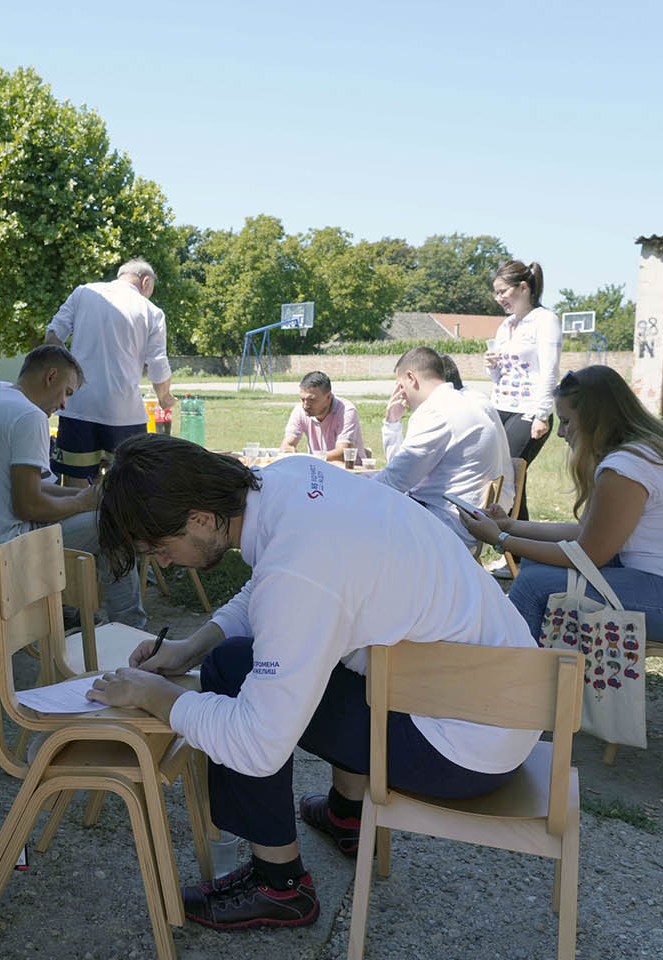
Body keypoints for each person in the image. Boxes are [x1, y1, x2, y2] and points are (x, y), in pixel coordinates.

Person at [85, 434, 539, 930]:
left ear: (199, 519)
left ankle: (278, 885)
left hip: (463, 750)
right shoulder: (291, 478)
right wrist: (192, 647)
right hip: (499, 710)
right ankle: (347, 814)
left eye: (160, 549)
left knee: (232, 675)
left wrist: (159, 698)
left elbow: (257, 744)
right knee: (261, 654)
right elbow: (269, 589)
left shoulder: (299, 570)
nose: (165, 563)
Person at [461, 365, 663, 648]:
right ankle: (537, 681)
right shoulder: (641, 453)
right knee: (539, 568)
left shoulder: (626, 468)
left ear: (596, 421)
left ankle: (516, 686)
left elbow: (587, 554)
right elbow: (589, 535)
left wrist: (500, 540)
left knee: (535, 586)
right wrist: (510, 526)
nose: (561, 433)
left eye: (566, 422)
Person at [0, 345, 144, 626]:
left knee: (100, 511)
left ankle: (74, 615)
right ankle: (131, 630)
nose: (65, 405)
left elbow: (33, 487)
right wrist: (82, 503)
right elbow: (29, 505)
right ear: (51, 376)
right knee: (112, 525)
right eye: (67, 392)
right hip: (4, 557)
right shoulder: (29, 416)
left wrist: (83, 494)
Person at [44, 258, 174, 483]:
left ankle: (78, 519)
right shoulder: (151, 311)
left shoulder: (83, 293)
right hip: (126, 414)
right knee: (126, 488)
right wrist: (164, 398)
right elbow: (158, 363)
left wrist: (71, 374)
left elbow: (52, 337)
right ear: (146, 282)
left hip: (79, 409)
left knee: (75, 486)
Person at [376, 347, 506, 551]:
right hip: (459, 521)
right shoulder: (463, 402)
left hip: (444, 528)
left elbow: (393, 482)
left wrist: (348, 491)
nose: (400, 395)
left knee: (358, 520)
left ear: (411, 377)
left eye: (400, 386)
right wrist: (392, 423)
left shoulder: (437, 412)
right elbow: (403, 472)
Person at [485, 260, 562, 524]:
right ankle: (518, 549)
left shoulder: (545, 320)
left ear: (523, 287)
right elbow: (501, 375)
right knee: (510, 476)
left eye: (503, 291)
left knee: (509, 473)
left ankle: (515, 549)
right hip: (501, 405)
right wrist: (492, 367)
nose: (499, 298)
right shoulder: (505, 326)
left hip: (528, 410)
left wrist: (542, 414)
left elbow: (549, 370)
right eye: (496, 293)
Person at [439, 353, 514, 512]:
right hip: (494, 499)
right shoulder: (474, 398)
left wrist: (392, 425)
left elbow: (408, 476)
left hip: (477, 508)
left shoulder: (457, 407)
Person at [277, 371, 365, 462]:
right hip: (318, 471)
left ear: (328, 397)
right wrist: (287, 450)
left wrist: (308, 458)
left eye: (311, 399)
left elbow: (342, 453)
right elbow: (286, 445)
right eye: (302, 399)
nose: (305, 405)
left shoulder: (346, 411)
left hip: (350, 472)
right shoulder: (300, 410)